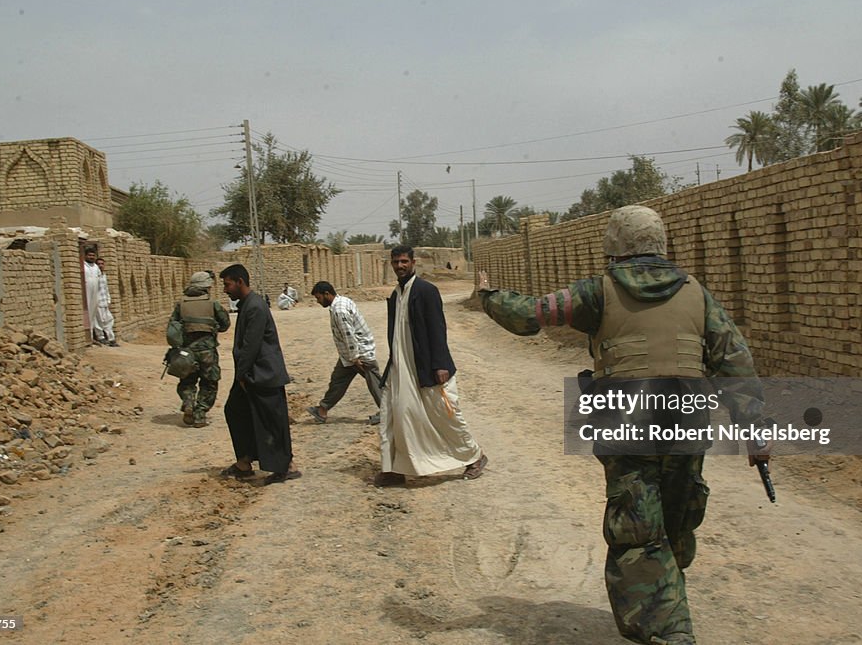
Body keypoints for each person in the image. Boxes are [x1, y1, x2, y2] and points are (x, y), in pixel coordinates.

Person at [478, 205, 769, 645]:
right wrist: (755, 430)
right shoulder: (697, 293)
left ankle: (670, 630)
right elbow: (736, 362)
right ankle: (668, 611)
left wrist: (488, 295)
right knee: (676, 519)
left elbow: (530, 315)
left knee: (636, 527)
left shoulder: (598, 293)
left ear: (613, 244)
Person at [374, 245, 487, 487]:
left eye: (404, 261)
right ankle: (395, 468)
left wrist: (439, 364)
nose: (400, 266)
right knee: (396, 415)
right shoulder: (396, 294)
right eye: (396, 262)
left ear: (413, 262)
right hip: (401, 367)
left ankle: (474, 457)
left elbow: (437, 329)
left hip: (427, 368)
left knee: (444, 414)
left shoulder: (426, 291)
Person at [220, 264, 301, 484]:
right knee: (236, 411)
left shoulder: (255, 306)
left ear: (239, 281)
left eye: (227, 284)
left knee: (273, 421)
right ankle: (244, 462)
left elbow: (251, 346)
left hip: (262, 375)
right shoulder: (249, 304)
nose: (225, 290)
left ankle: (286, 466)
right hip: (252, 374)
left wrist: (241, 376)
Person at [306, 281, 383, 426]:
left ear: (327, 294)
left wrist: (355, 358)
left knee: (375, 383)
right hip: (349, 355)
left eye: (319, 298)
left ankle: (388, 412)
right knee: (338, 381)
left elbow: (349, 335)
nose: (318, 301)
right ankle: (322, 410)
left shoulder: (339, 310)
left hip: (359, 353)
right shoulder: (341, 302)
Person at [167, 271, 231, 427]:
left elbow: (173, 326)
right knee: (209, 382)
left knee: (187, 380)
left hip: (186, 352)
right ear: (206, 286)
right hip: (207, 351)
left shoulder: (181, 304)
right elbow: (225, 324)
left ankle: (188, 402)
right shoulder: (212, 303)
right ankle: (200, 414)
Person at [81, 246, 104, 345]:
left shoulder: (96, 267)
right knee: (87, 313)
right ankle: (87, 337)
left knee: (93, 314)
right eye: (89, 255)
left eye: (93, 255)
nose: (91, 257)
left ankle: (91, 336)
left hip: (95, 293)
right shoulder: (83, 266)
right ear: (85, 256)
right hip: (85, 293)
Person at [94, 257, 119, 347]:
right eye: (98, 264)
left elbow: (106, 289)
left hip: (104, 302)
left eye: (102, 264)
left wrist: (109, 300)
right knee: (99, 321)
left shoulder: (104, 275)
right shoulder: (94, 275)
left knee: (109, 319)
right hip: (97, 302)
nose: (100, 266)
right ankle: (101, 337)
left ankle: (111, 338)